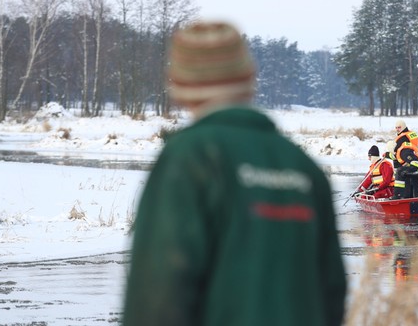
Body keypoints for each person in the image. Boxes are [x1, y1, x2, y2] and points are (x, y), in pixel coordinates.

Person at [122, 21, 346, 326]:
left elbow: (159, 291)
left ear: (180, 85)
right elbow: (332, 290)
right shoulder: (302, 167)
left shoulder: (190, 157)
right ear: (248, 78)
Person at [392, 119, 418, 199]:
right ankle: (417, 201)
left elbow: (397, 151)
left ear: (403, 127)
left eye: (399, 127)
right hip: (415, 160)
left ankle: (404, 197)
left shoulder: (402, 138)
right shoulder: (412, 134)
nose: (397, 129)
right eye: (396, 128)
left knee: (409, 183)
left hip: (413, 162)